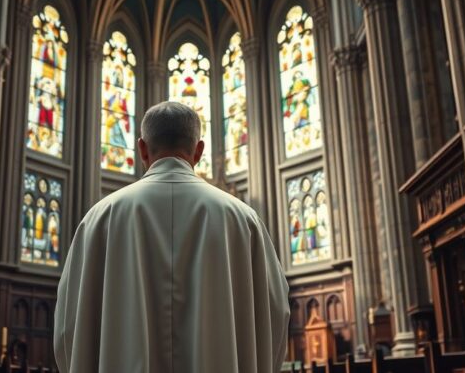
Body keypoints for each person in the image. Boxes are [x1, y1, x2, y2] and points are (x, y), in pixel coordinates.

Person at [54, 101, 289, 372]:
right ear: (199, 150)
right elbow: (276, 315)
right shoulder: (244, 220)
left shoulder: (99, 219)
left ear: (141, 148)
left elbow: (66, 329)